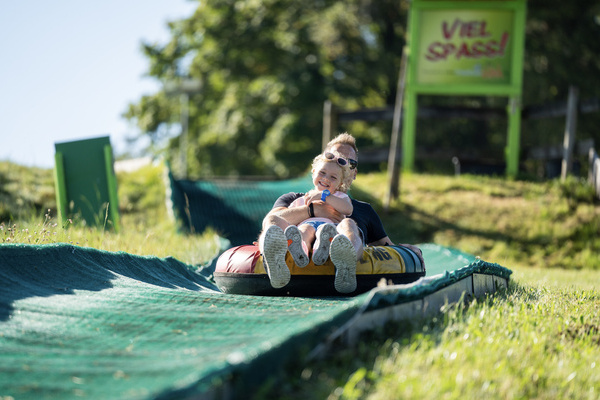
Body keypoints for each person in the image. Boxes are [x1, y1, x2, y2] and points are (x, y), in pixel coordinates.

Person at [259, 132, 423, 293]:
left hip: (334, 241)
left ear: (353, 173)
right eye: (332, 157)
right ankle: (282, 258)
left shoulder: (362, 210)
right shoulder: (293, 199)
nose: (338, 164)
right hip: (296, 263)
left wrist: (405, 252)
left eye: (347, 162)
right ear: (316, 167)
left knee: (348, 224)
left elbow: (386, 248)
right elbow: (271, 222)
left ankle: (346, 262)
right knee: (291, 227)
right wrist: (312, 210)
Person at [272, 151, 354, 271]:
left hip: (331, 227)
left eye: (333, 177)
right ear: (314, 172)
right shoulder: (301, 199)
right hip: (307, 224)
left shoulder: (339, 196)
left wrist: (324, 195)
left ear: (339, 183)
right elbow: (287, 219)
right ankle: (300, 253)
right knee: (303, 230)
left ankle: (319, 252)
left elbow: (348, 209)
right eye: (322, 173)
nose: (326, 179)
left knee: (324, 232)